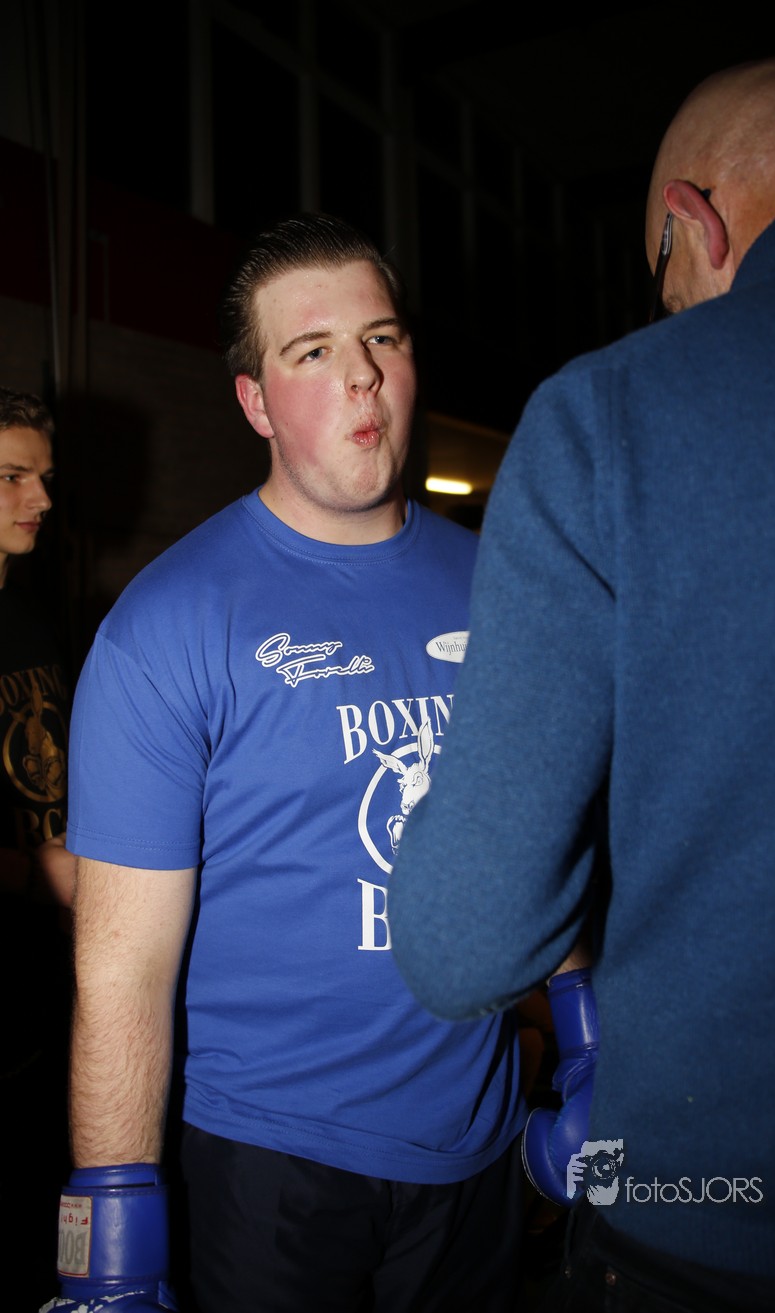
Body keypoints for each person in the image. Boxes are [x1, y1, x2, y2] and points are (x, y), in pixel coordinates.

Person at [389, 58, 775, 1311]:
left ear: (688, 222)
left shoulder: (612, 416)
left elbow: (462, 942)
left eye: (666, 286)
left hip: (718, 1224)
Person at [49, 215, 524, 1313]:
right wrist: (107, 1242)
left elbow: (545, 831)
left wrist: (587, 1036)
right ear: (256, 401)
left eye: (382, 338)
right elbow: (121, 971)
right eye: (312, 351)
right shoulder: (167, 624)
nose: (362, 375)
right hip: (271, 1166)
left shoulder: (506, 581)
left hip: (484, 1139)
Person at [0, 386, 74, 1300]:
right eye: (13, 477)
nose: (42, 498)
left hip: (44, 986)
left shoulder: (31, 616)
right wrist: (37, 874)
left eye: (43, 476)